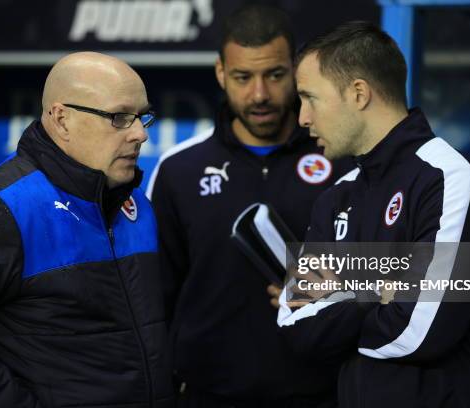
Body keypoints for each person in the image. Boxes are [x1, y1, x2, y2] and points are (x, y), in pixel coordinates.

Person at [277, 21, 470, 407]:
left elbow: (419, 333)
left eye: (310, 98)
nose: (303, 118)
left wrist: (342, 292)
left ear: (358, 93)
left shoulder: (451, 178)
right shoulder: (335, 198)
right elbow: (295, 328)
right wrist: (378, 290)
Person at [0, 52, 174, 407]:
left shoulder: (137, 206)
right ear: (61, 119)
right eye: (120, 117)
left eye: (142, 117)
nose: (139, 134)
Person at [147, 5, 351, 407]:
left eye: (275, 75)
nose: (259, 94)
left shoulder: (344, 162)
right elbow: (156, 297)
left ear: (296, 69)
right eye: (243, 77)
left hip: (325, 392)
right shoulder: (179, 170)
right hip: (208, 395)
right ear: (221, 73)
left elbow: (386, 277)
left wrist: (342, 291)